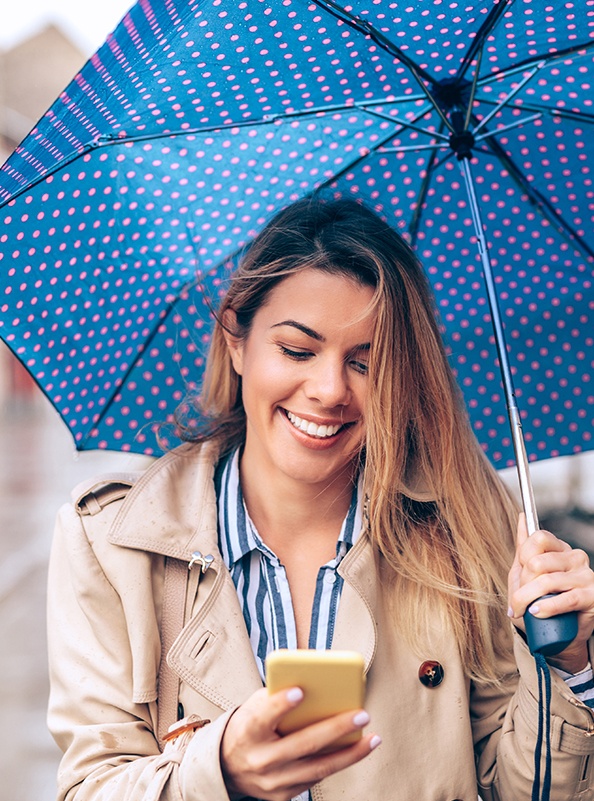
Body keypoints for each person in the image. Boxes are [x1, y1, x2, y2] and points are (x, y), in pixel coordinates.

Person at [47, 197, 594, 801]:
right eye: (297, 350)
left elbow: (525, 789)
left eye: (366, 362)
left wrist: (568, 666)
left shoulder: (466, 519)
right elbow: (92, 787)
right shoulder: (113, 540)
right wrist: (221, 769)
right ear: (236, 338)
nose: (330, 390)